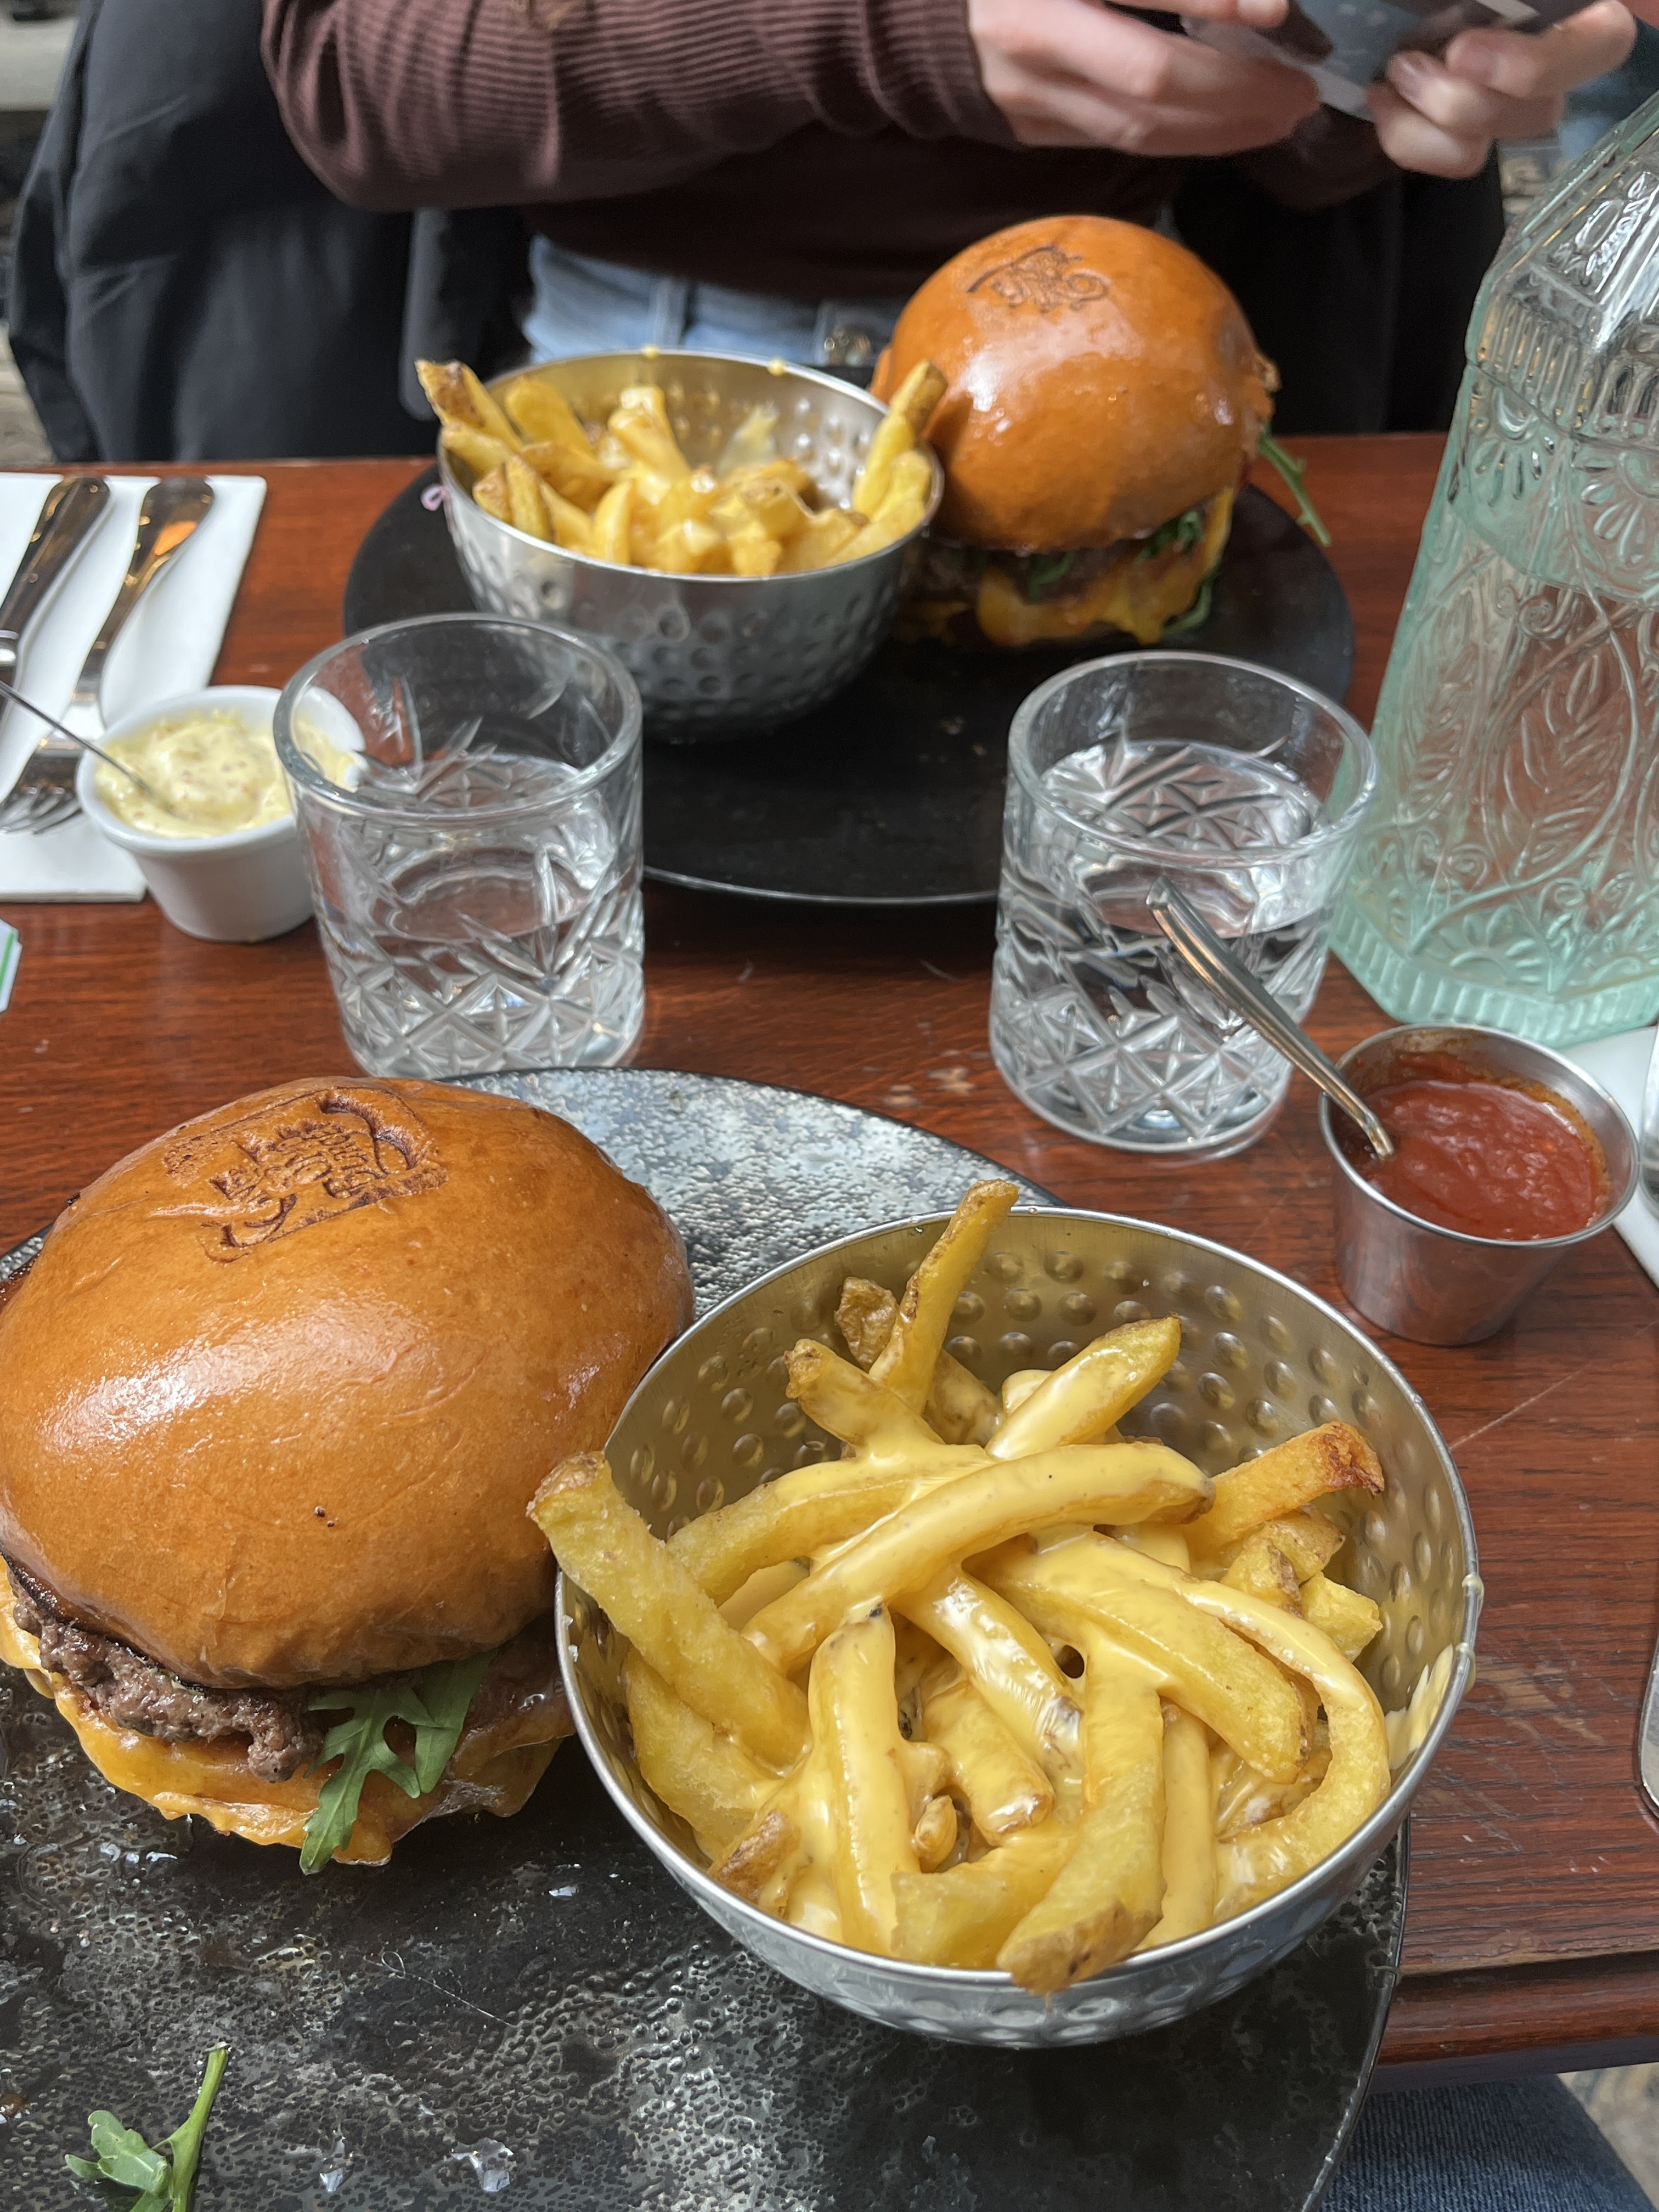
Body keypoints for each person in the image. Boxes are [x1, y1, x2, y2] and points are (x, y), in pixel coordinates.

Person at [261, 0, 1640, 405]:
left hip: (1137, 353)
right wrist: (882, 30)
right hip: (642, 376)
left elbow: (1291, 163)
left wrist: (1394, 64)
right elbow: (356, 83)